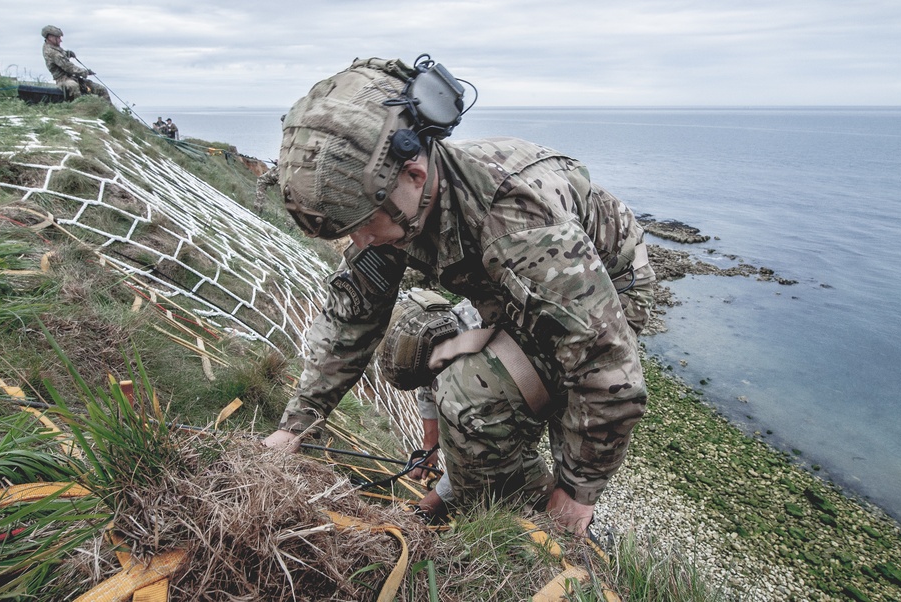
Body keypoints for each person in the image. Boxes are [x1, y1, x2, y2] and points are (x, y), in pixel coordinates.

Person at [263, 56, 655, 537]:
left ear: (414, 174)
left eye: (364, 225)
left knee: (472, 397)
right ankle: (480, 487)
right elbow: (353, 318)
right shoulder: (393, 207)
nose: (361, 242)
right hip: (510, 288)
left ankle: (513, 520)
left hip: (602, 288)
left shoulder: (514, 222)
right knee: (415, 349)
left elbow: (607, 369)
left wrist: (576, 493)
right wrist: (296, 424)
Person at [40, 25, 110, 102]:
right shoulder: (51, 52)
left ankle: (111, 112)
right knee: (74, 87)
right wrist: (85, 72)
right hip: (63, 80)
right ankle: (80, 108)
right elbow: (69, 68)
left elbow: (61, 56)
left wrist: (67, 53)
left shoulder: (54, 47)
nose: (60, 40)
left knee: (101, 89)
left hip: (72, 77)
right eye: (58, 38)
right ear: (50, 37)